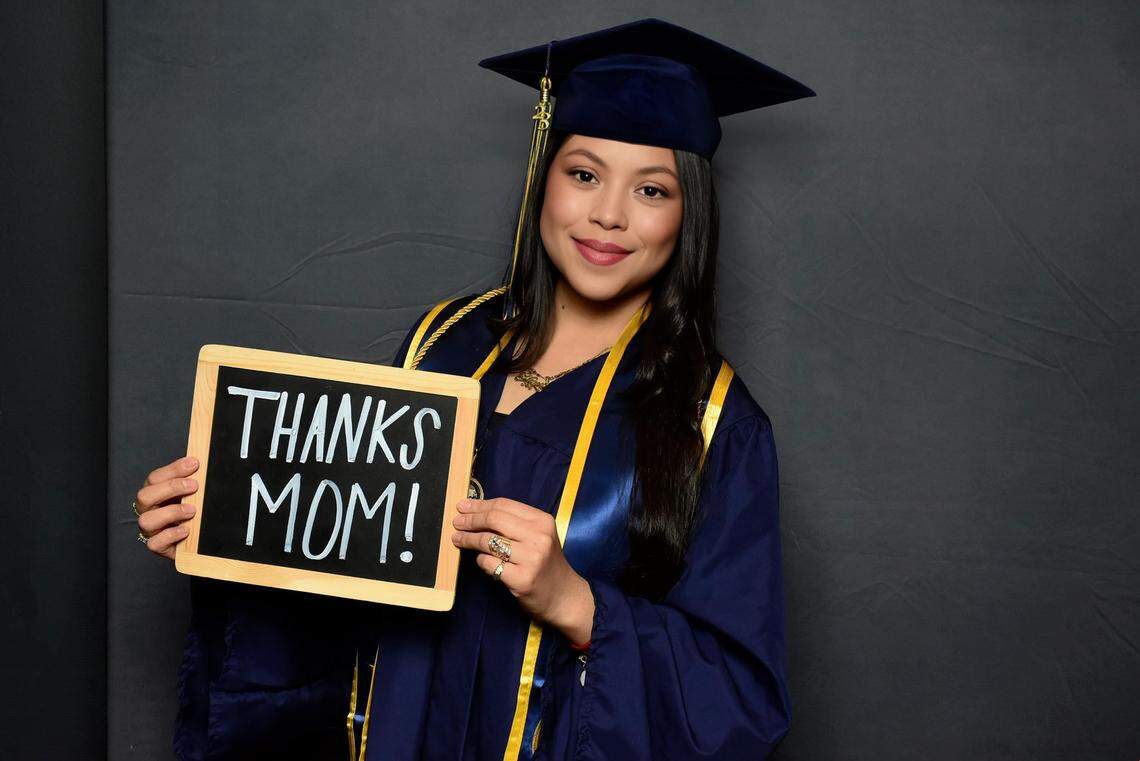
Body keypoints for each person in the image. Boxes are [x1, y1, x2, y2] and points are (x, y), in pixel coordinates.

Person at [133, 18, 815, 760]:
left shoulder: (713, 421)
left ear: (689, 216)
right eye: (583, 173)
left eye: (652, 189)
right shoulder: (442, 343)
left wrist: (578, 605)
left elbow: (740, 699)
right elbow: (345, 574)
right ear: (543, 176)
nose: (609, 214)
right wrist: (228, 522)